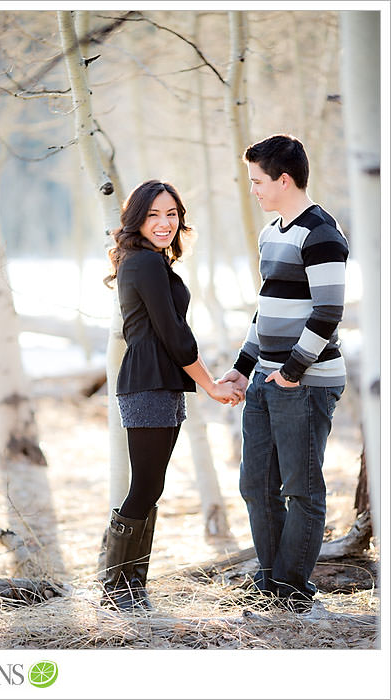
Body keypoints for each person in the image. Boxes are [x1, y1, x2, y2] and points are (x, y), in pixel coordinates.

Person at [219, 134, 348, 614]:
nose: (252, 188)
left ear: (284, 179)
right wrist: (240, 369)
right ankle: (270, 579)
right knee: (256, 484)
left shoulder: (321, 234)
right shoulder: (272, 232)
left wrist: (293, 371)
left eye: (257, 180)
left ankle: (292, 588)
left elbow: (328, 313)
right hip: (267, 380)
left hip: (306, 382)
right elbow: (266, 311)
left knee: (302, 488)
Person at [101, 180, 243, 611]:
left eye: (172, 214)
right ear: (137, 219)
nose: (164, 223)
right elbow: (174, 336)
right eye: (153, 215)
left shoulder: (152, 261)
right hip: (148, 381)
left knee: (151, 485)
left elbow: (172, 333)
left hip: (159, 382)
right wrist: (211, 384)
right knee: (144, 486)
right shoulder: (144, 263)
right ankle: (116, 589)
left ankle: (131, 587)